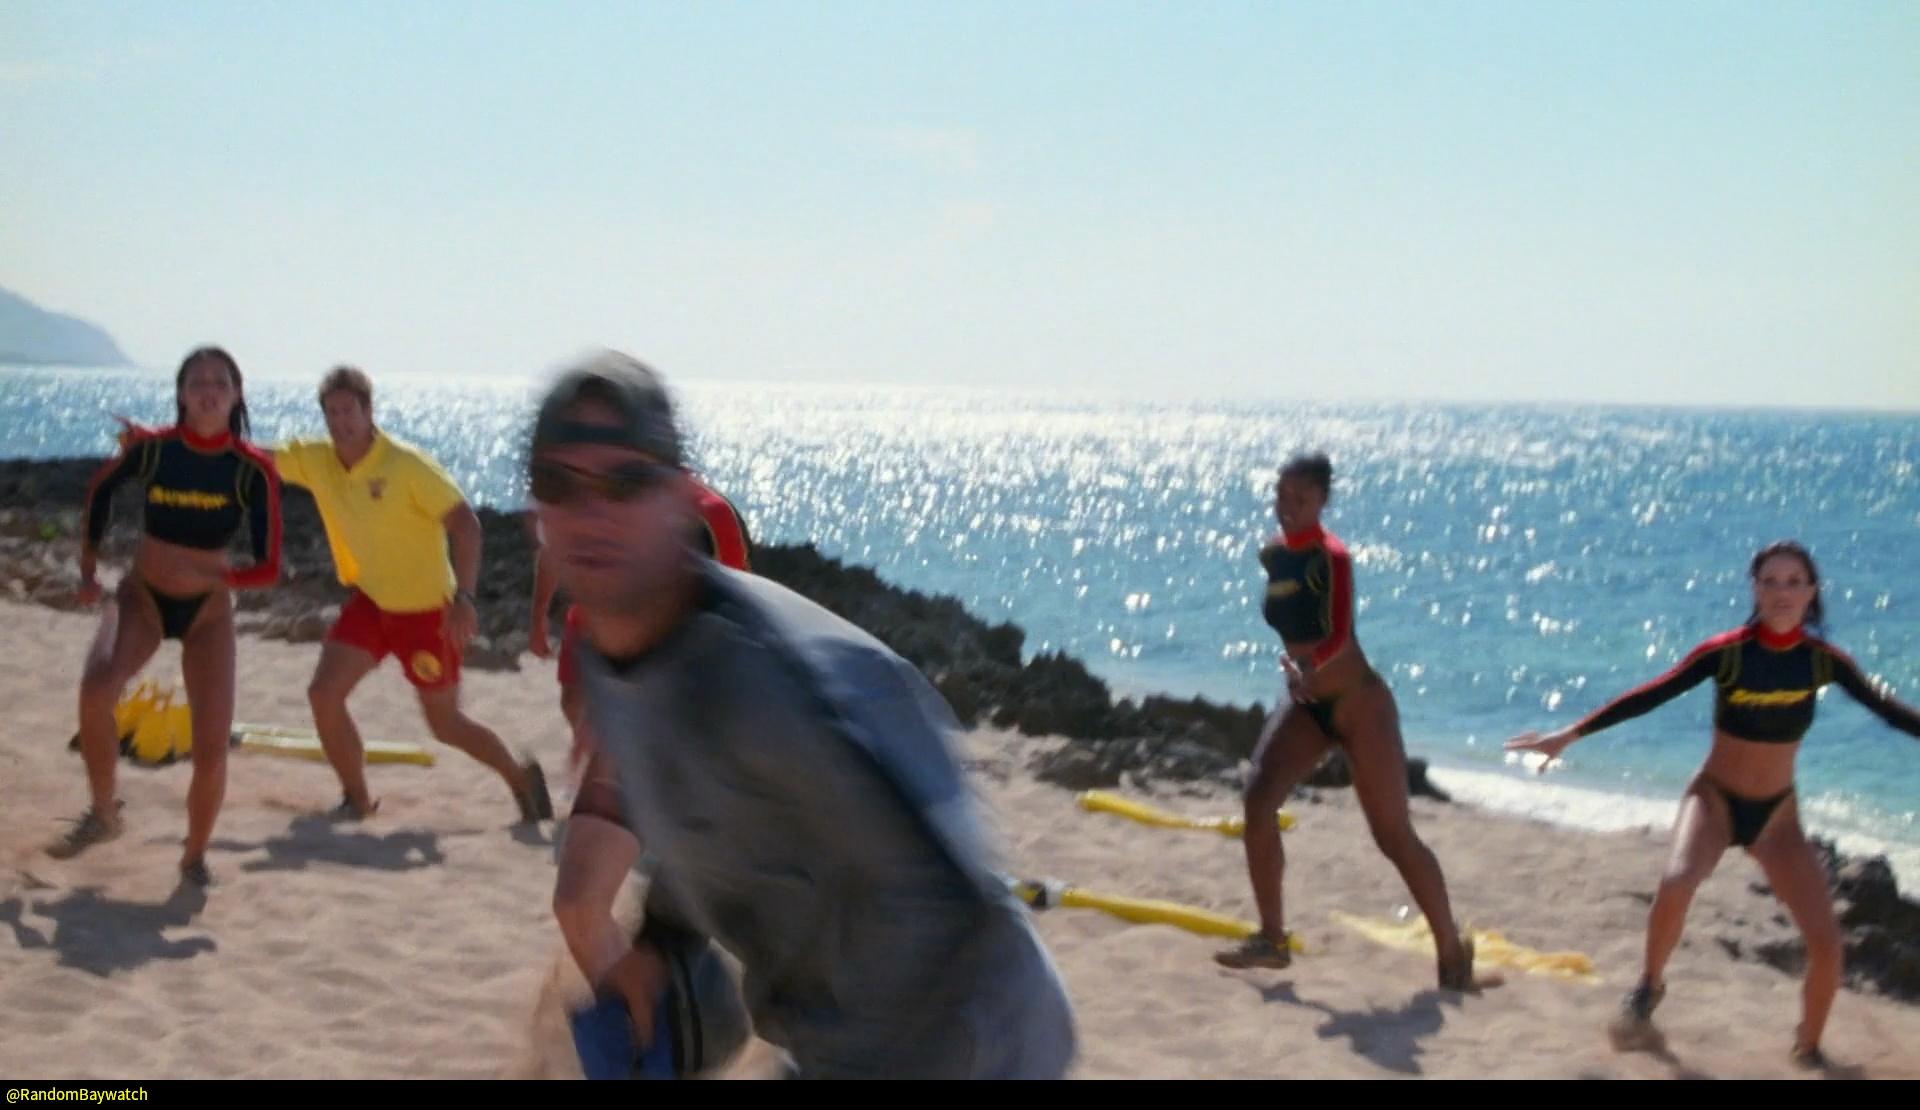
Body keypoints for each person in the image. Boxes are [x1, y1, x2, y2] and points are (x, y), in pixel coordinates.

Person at [531, 350, 1075, 1078]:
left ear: (681, 500)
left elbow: (946, 902)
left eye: (625, 481)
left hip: (972, 1042)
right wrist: (661, 944)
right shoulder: (618, 661)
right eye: (558, 482)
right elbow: (709, 822)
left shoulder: (771, 685)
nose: (590, 512)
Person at [1506, 540, 1920, 1067]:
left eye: (1794, 582)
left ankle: (1808, 1047)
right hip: (1715, 801)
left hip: (1776, 816)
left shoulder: (1823, 663)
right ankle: (1649, 985)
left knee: (1827, 944)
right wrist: (1571, 734)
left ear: (1812, 592)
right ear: (1755, 589)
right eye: (1770, 582)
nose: (1782, 592)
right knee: (1678, 881)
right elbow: (1652, 693)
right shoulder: (1727, 653)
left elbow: (1886, 709)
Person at [1215, 452, 1474, 991]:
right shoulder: (1273, 554)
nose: (1288, 507)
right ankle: (1272, 939)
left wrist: (1311, 662)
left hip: (1360, 706)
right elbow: (1292, 623)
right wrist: (1297, 668)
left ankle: (1451, 949)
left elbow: (1337, 631)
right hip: (1308, 706)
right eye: (1282, 496)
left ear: (1322, 501)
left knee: (1393, 836)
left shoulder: (1333, 557)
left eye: (1301, 498)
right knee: (1258, 800)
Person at [274, 365, 550, 823]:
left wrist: (464, 599)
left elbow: (467, 525)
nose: (340, 421)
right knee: (323, 694)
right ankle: (357, 800)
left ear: (368, 411)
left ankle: (520, 778)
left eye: (348, 411)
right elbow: (256, 458)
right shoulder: (318, 459)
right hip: (371, 602)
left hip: (427, 615)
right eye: (332, 413)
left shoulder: (406, 465)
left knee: (446, 725)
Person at [53, 346, 281, 887]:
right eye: (197, 382)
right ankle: (103, 813)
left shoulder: (253, 469)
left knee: (211, 746)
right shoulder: (154, 450)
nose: (208, 391)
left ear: (237, 395)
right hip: (144, 599)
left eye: (220, 382)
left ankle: (193, 857)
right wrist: (88, 569)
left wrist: (217, 576)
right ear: (181, 394)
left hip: (207, 616)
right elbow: (100, 490)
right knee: (96, 690)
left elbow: (269, 566)